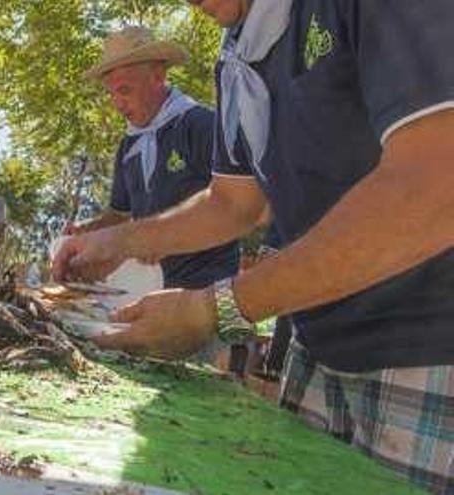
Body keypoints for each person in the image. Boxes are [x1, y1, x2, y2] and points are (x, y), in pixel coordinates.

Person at [54, 0, 454, 490]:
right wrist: (119, 239)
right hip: (314, 347)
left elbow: (436, 185)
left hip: (426, 351)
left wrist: (216, 308)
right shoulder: (236, 56)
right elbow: (234, 204)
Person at [69, 27, 239, 290]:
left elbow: (241, 205)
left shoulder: (201, 125)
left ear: (158, 77)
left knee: (229, 332)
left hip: (216, 288)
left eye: (124, 90)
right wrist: (89, 231)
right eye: (111, 93)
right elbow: (120, 214)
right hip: (151, 290)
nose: (117, 103)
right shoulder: (128, 146)